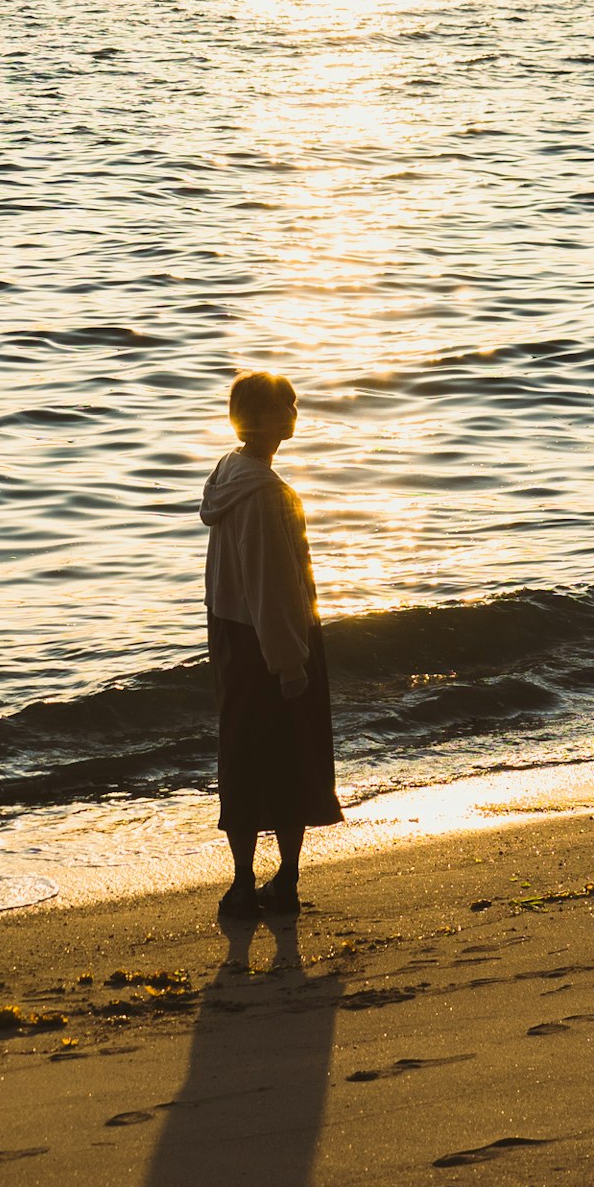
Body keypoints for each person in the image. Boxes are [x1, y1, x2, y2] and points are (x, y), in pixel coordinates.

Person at [199, 370, 340, 920]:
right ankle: (279, 881)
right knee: (292, 759)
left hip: (231, 631)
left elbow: (235, 576)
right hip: (273, 639)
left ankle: (244, 881)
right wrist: (290, 663)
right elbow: (272, 584)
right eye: (284, 407)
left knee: (240, 755)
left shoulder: (227, 474)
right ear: (255, 420)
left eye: (294, 405)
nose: (293, 414)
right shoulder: (269, 495)